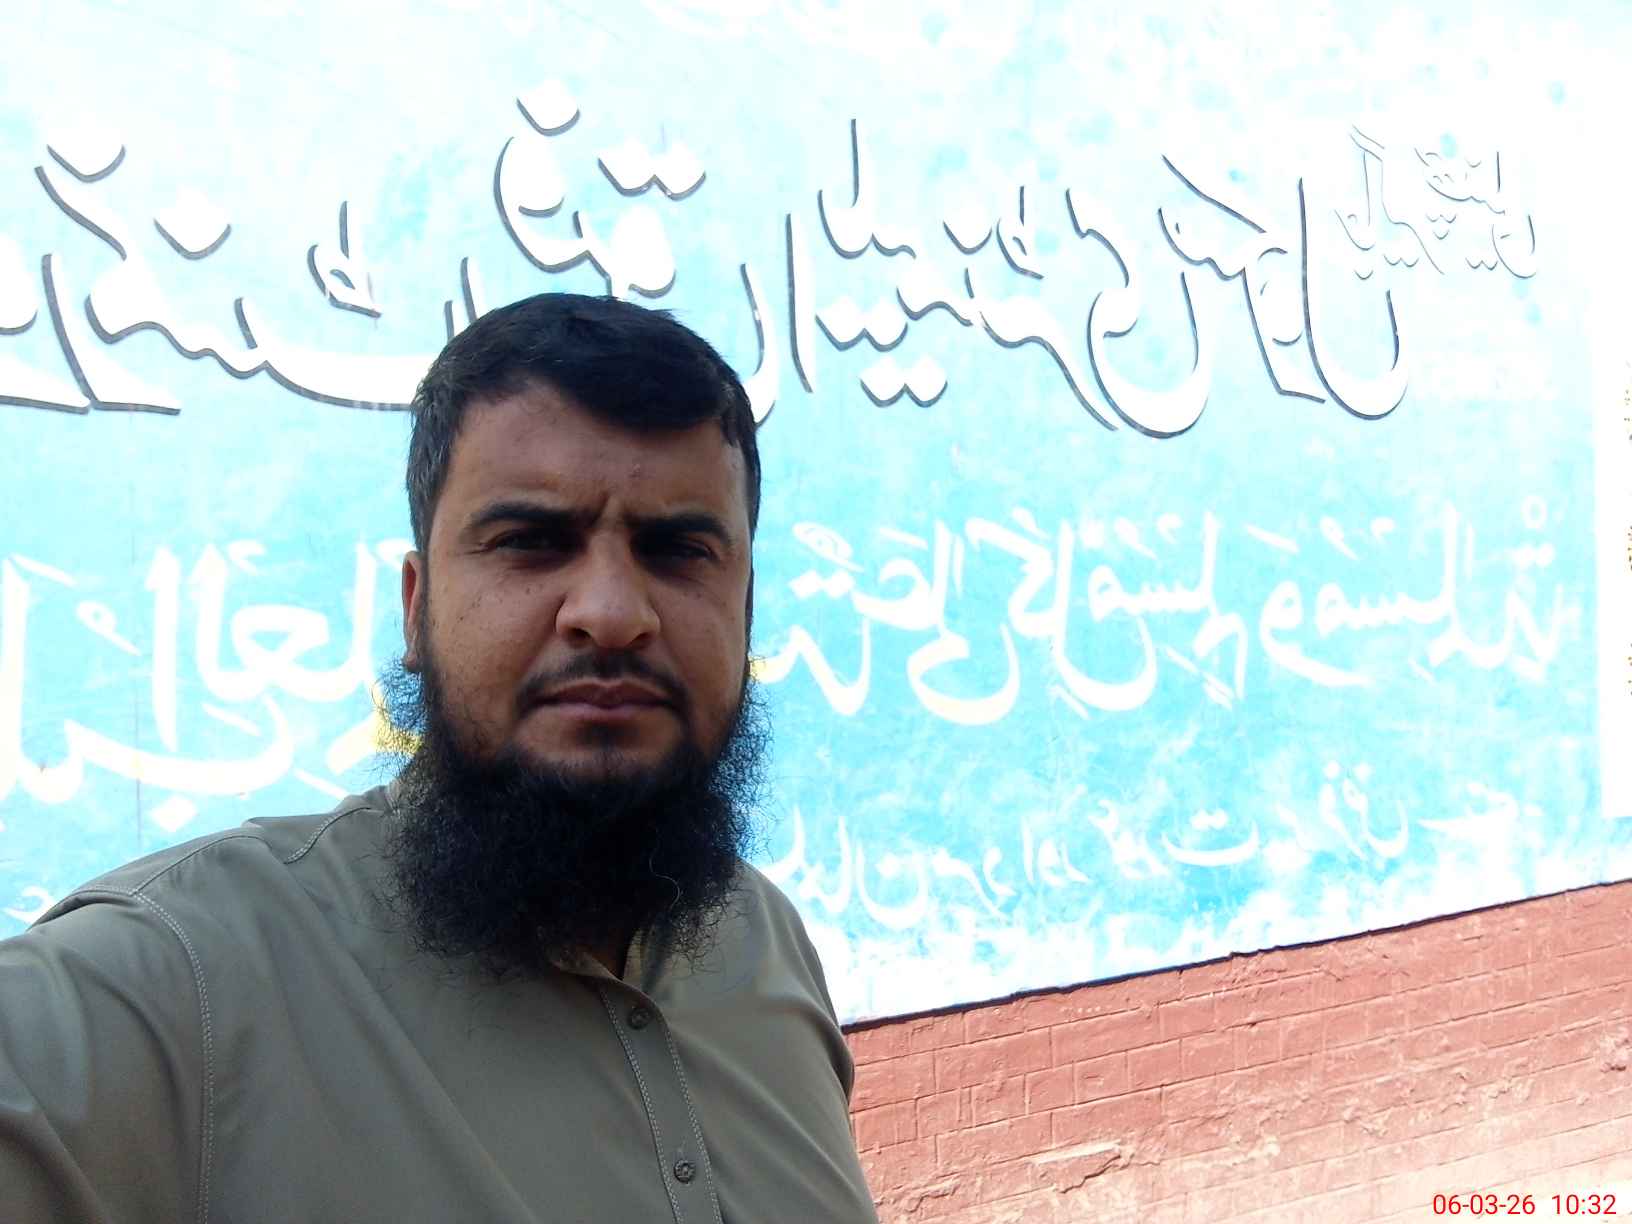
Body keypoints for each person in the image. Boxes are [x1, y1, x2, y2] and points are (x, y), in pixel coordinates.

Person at [0, 293, 879, 1222]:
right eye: (531, 542)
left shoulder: (766, 946)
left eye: (678, 550)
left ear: (746, 610)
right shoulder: (177, 985)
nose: (613, 613)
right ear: (416, 609)